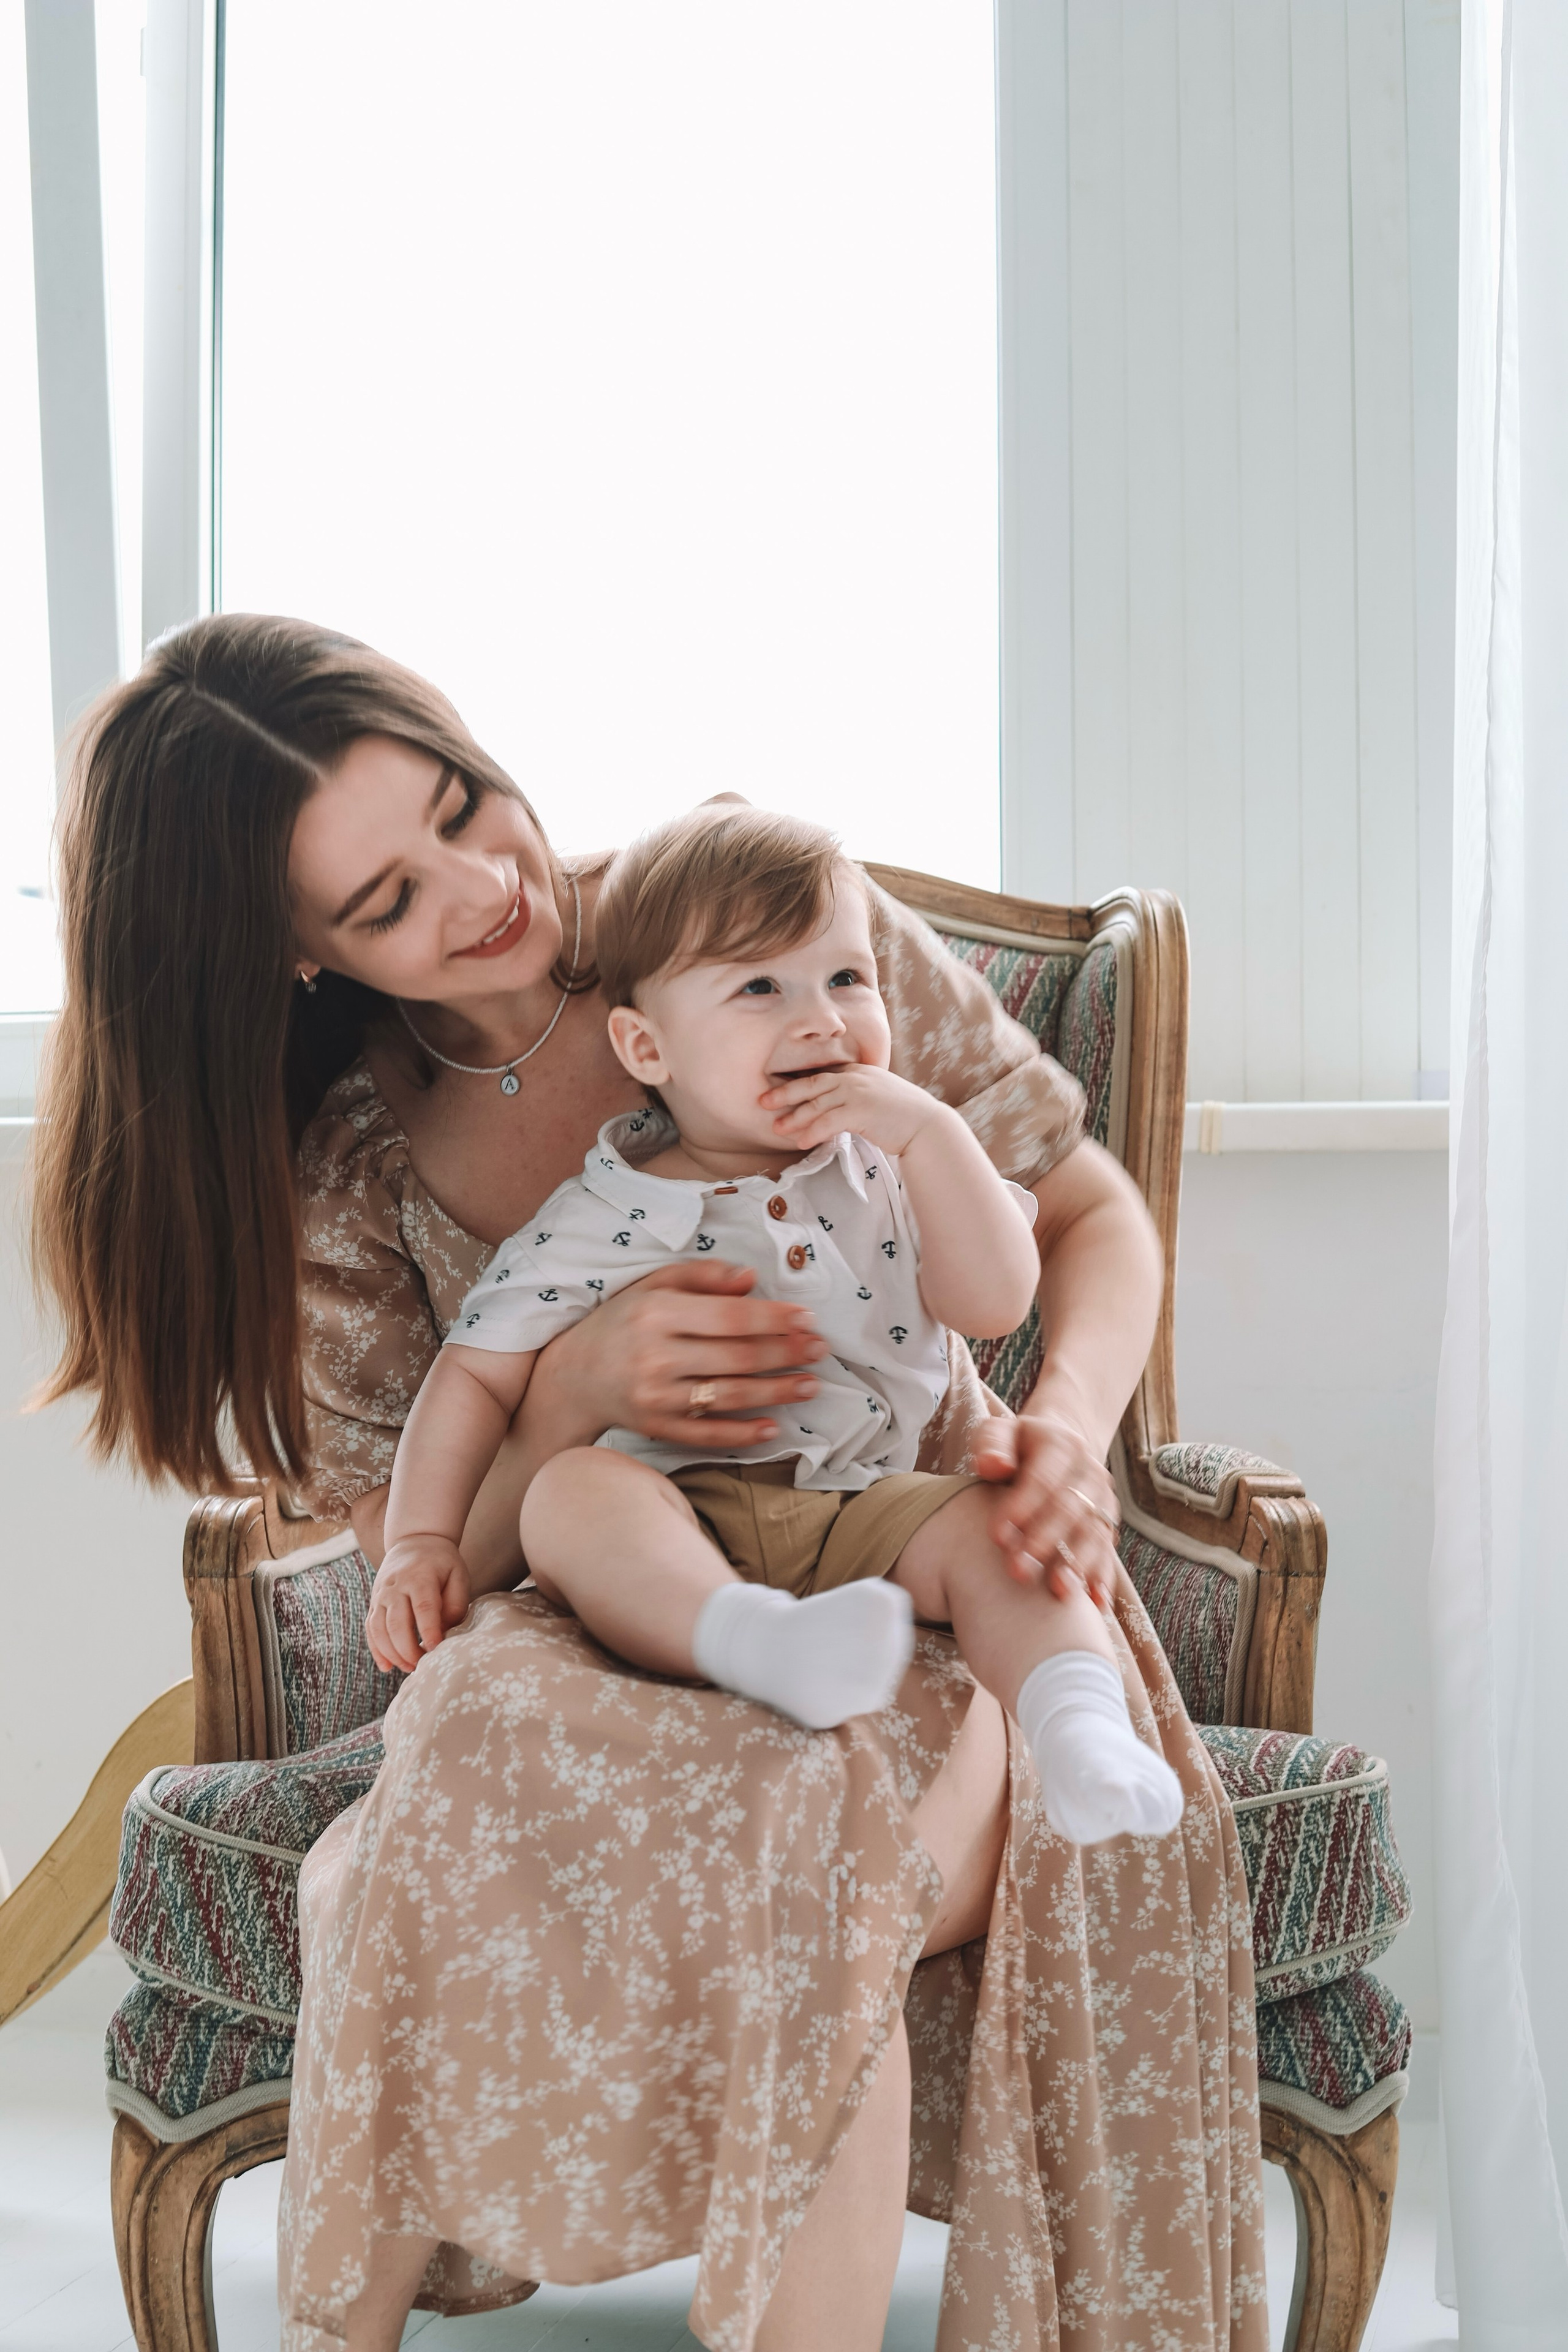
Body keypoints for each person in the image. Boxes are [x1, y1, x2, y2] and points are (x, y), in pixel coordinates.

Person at [32, 615, 1265, 2352]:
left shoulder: (750, 920)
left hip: (922, 1565)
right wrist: (582, 1388)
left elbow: (1085, 1217)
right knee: (463, 1749)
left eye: (465, 802)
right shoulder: (355, 1167)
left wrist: (1062, 1422)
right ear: (295, 957)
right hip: (608, 1618)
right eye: (388, 901)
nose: (483, 888)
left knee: (818, 1846)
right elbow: (432, 1545)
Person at [383, 804, 1185, 1849]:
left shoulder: (886, 1168)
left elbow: (996, 1303)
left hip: (867, 1505)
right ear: (646, 1045)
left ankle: (1081, 1731)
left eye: (848, 979)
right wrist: (421, 1541)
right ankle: (757, 1641)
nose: (823, 1019)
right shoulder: (609, 1206)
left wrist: (934, 1132)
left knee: (1003, 1538)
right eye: (761, 988)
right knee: (568, 1499)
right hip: (680, 1512)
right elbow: (471, 1379)